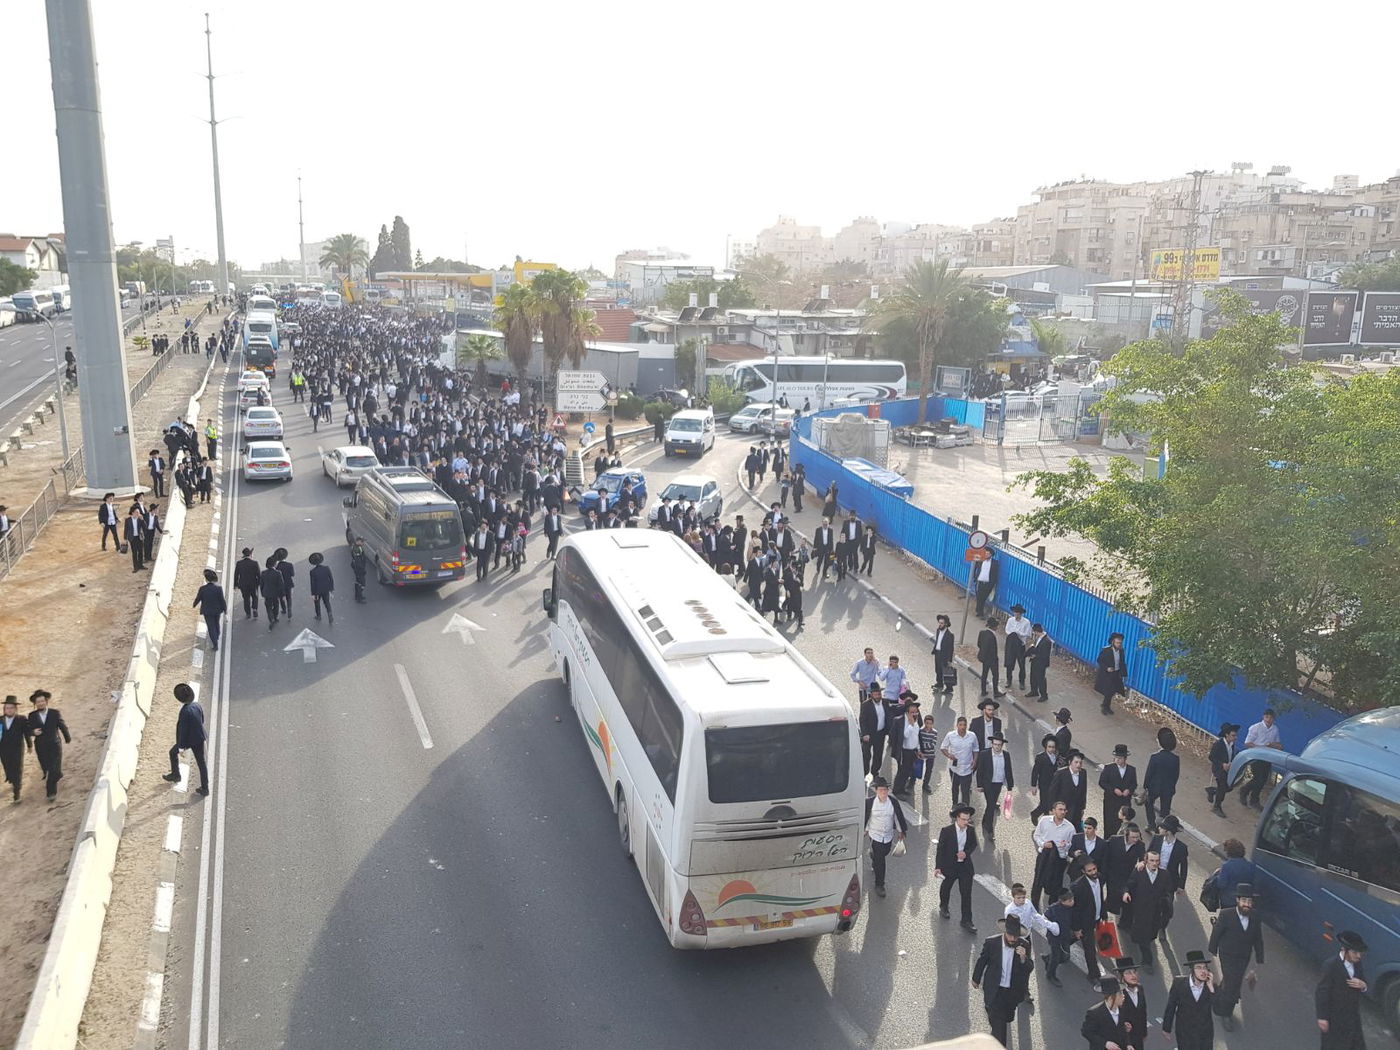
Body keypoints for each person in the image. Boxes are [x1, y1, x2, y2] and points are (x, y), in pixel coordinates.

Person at [1208, 882, 1264, 1032]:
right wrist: (1212, 949)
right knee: (1233, 984)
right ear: (1237, 900)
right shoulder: (1226, 914)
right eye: (1244, 901)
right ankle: (1225, 1013)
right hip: (1227, 954)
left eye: (1249, 901)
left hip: (1243, 956)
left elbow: (1258, 939)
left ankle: (1216, 992)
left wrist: (1259, 959)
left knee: (1232, 981)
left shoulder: (1255, 916)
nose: (1246, 904)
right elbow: (1217, 932)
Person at [971, 914, 1034, 1047]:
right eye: (1010, 935)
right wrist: (975, 978)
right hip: (995, 990)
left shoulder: (1024, 945)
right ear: (1005, 932)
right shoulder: (992, 943)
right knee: (999, 1030)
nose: (1013, 939)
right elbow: (982, 960)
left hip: (1012, 992)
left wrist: (1023, 958)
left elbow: (1029, 968)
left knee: (1006, 1019)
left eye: (1016, 936)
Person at [1121, 849, 1176, 971]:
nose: (1155, 863)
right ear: (1146, 861)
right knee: (1144, 937)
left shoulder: (1164, 874)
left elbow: (1168, 891)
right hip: (1140, 910)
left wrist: (1166, 904)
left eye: (1157, 861)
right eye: (1151, 860)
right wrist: (1125, 893)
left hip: (1156, 911)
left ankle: (1139, 938)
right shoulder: (1139, 872)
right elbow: (1129, 884)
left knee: (1151, 935)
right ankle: (1147, 961)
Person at [1315, 929, 1368, 1050]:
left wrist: (1363, 985)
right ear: (1344, 950)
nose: (1358, 956)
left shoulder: (1357, 964)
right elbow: (1322, 992)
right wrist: (1322, 1017)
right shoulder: (1331, 965)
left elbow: (1363, 982)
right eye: (1355, 952)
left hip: (1352, 1018)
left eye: (1360, 952)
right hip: (1335, 1019)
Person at [1162, 950, 1217, 1050]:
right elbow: (1171, 1006)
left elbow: (1218, 1009)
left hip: (1204, 1034)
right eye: (1199, 968)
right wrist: (1166, 1028)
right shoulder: (1179, 983)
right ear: (1192, 970)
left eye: (1205, 967)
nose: (1203, 971)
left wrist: (1212, 989)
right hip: (1185, 1033)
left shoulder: (1211, 986)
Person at [935, 805, 979, 932]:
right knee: (946, 886)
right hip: (950, 866)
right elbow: (940, 850)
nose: (966, 822)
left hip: (965, 867)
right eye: (963, 819)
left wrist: (966, 853)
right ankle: (944, 906)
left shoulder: (970, 830)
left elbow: (973, 844)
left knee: (966, 894)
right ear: (957, 818)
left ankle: (967, 920)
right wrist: (938, 867)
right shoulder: (946, 831)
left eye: (968, 819)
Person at [863, 777, 907, 898]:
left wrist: (901, 831)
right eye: (881, 790)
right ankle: (879, 884)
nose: (883, 792)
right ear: (876, 791)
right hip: (875, 835)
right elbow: (867, 817)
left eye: (885, 790)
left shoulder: (893, 802)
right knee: (880, 860)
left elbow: (897, 817)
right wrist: (865, 830)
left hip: (887, 836)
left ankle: (873, 856)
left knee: (884, 853)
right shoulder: (870, 802)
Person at [162, 682, 209, 796]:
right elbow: (202, 720)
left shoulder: (184, 711)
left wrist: (181, 747)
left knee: (173, 753)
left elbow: (183, 731)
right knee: (201, 763)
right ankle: (205, 788)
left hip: (189, 741)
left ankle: (176, 775)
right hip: (199, 737)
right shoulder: (197, 705)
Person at [1072, 855, 1110, 985]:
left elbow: (1100, 897)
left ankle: (1055, 954)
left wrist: (1103, 914)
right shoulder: (1078, 887)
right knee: (1090, 949)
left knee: (1071, 939)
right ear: (1083, 871)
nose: (1093, 872)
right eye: (1089, 871)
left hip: (1096, 918)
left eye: (1094, 869)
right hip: (1085, 923)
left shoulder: (1100, 877)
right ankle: (1093, 974)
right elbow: (1075, 910)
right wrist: (1077, 928)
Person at [27, 689, 70, 801]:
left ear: (46, 701)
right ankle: (58, 774)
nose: (40, 703)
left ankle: (51, 792)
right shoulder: (31, 715)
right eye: (38, 702)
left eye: (42, 701)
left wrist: (67, 737)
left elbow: (62, 725)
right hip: (41, 747)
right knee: (46, 767)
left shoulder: (54, 713)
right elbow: (28, 729)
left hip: (54, 744)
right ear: (35, 704)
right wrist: (33, 732)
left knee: (52, 769)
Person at [1031, 800, 1074, 910]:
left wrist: (1065, 846)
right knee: (1038, 879)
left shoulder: (1070, 827)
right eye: (1060, 809)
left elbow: (1071, 844)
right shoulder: (1044, 821)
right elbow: (1037, 835)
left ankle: (1052, 906)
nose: (1063, 812)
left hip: (1059, 859)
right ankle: (1034, 904)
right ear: (1053, 811)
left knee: (1056, 883)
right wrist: (1043, 844)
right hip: (1044, 855)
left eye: (1064, 810)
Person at [1240, 708, 1283, 809]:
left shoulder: (1275, 729)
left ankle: (1252, 798)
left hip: (1267, 757)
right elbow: (1247, 743)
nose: (1268, 719)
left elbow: (1278, 744)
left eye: (1271, 718)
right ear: (1263, 717)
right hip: (1256, 756)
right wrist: (1260, 747)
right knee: (1258, 778)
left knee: (1263, 780)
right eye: (1267, 717)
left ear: (1274, 719)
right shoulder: (1255, 727)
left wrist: (1273, 745)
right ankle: (1247, 793)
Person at [976, 732, 1013, 836]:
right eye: (995, 744)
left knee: (990, 804)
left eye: (999, 745)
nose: (997, 747)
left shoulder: (1006, 755)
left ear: (1002, 745)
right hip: (988, 783)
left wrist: (1010, 787)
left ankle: (984, 820)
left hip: (998, 783)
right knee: (991, 805)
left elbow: (1008, 770)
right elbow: (980, 770)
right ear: (992, 744)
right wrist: (979, 785)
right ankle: (989, 827)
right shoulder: (984, 754)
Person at [1081, 976, 1132, 1050]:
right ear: (1111, 997)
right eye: (1120, 994)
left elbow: (1121, 1030)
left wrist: (1128, 1044)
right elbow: (1086, 1032)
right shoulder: (1094, 1013)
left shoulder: (1122, 1009)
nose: (1123, 996)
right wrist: (1105, 1043)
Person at [1142, 727, 1180, 828]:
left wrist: (1145, 786)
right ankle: (1164, 827)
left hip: (1154, 787)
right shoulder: (1175, 759)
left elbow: (1149, 774)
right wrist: (1172, 786)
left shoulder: (1155, 757)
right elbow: (1176, 775)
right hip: (1168, 788)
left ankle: (1151, 824)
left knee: (1148, 803)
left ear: (1160, 743)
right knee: (1165, 809)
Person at [1099, 745, 1137, 837]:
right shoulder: (1108, 768)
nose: (1117, 760)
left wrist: (1129, 790)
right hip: (1110, 802)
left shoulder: (1131, 770)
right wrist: (1113, 790)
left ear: (1125, 758)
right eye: (1116, 758)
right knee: (1109, 825)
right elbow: (1102, 782)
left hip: (1124, 803)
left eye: (1120, 758)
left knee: (1123, 826)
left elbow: (1134, 784)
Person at [941, 715, 979, 806]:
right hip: (954, 768)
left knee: (965, 791)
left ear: (967, 726)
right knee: (955, 788)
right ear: (957, 725)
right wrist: (949, 755)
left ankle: (966, 810)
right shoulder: (950, 735)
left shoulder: (972, 736)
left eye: (964, 725)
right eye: (960, 724)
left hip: (967, 768)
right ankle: (954, 805)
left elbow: (976, 749)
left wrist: (975, 761)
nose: (962, 727)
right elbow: (943, 748)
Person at [1, 695, 33, 803]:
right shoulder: (0, 720)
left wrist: (29, 745)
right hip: (3, 750)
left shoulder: (21, 719)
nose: (9, 710)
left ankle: (17, 793)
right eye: (7, 708)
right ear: (4, 709)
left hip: (17, 749)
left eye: (11, 708)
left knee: (17, 769)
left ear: (15, 709)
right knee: (7, 767)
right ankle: (11, 778)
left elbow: (26, 733)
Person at [1042, 888, 1076, 988]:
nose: (1072, 902)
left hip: (1066, 936)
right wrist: (1053, 928)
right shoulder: (1054, 909)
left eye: (1072, 899)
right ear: (1062, 901)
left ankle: (1048, 958)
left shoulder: (1071, 908)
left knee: (1065, 957)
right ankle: (1050, 974)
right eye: (1070, 901)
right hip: (1055, 938)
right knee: (1056, 957)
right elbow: (1044, 919)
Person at [858, 680, 891, 777]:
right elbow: (862, 720)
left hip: (880, 733)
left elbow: (890, 714)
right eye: (875, 694)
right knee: (866, 755)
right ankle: (864, 772)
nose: (877, 696)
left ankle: (875, 772)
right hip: (869, 734)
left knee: (878, 754)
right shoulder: (865, 705)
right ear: (871, 694)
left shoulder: (885, 702)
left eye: (879, 694)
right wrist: (865, 734)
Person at [1114, 956, 1149, 1050]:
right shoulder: (1117, 994)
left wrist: (1144, 1032)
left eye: (1134, 972)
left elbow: (1143, 1012)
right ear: (1121, 976)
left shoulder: (1140, 988)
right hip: (1123, 1040)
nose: (1133, 975)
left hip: (1138, 1037)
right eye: (1128, 973)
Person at [1206, 723, 1239, 817]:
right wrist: (1222, 764)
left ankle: (1212, 791)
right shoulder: (1218, 744)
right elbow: (1211, 757)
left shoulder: (1232, 744)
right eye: (1233, 735)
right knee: (1222, 786)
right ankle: (1217, 806)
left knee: (1229, 787)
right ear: (1226, 735)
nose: (1235, 737)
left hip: (1228, 768)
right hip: (1219, 769)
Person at [1050, 750, 1088, 827]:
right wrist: (1052, 809)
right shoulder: (1060, 773)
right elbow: (1053, 792)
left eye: (1080, 763)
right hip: (1064, 809)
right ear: (1070, 762)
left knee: (1075, 830)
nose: (1078, 765)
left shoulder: (1083, 773)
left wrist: (1082, 808)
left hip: (1077, 809)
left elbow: (1084, 791)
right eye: (1076, 762)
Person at [192, 569, 227, 651]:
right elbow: (222, 600)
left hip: (207, 611)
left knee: (211, 627)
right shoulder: (218, 588)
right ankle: (217, 635)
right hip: (217, 610)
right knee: (216, 623)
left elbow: (198, 598)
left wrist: (194, 605)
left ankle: (215, 644)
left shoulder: (202, 589)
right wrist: (225, 610)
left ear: (206, 579)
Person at [892, 703, 923, 796]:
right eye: (912, 712)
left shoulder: (916, 721)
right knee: (902, 772)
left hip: (913, 751)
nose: (914, 714)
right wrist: (911, 725)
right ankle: (897, 790)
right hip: (904, 752)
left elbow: (916, 736)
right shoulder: (899, 721)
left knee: (908, 772)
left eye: (916, 712)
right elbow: (905, 735)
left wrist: (918, 749)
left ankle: (902, 788)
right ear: (907, 712)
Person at [1094, 632, 1129, 715]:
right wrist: (1107, 668)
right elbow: (1099, 660)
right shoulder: (1106, 650)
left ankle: (1106, 705)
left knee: (1113, 691)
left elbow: (1122, 662)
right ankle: (1105, 707)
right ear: (1113, 642)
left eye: (1120, 643)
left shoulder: (1121, 651)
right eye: (1117, 643)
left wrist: (1125, 674)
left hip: (1116, 673)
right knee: (1108, 691)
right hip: (1108, 674)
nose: (1119, 644)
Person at [1029, 735, 1060, 823]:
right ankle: (1035, 814)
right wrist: (1033, 785)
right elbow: (1035, 772)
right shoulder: (1040, 757)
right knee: (1044, 804)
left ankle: (1046, 823)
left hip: (1054, 785)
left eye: (1053, 747)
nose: (1051, 749)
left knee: (1051, 805)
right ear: (1046, 747)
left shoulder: (1057, 757)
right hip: (1044, 785)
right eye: (1049, 747)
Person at [1003, 604, 1031, 690]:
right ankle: (1009, 680)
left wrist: (1018, 633)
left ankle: (1022, 682)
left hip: (1020, 645)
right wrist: (1013, 633)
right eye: (1015, 612)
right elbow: (1007, 630)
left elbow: (1027, 634)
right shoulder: (1010, 620)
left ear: (1021, 613)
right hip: (1011, 645)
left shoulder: (1026, 622)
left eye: (1018, 613)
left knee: (1021, 664)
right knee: (1009, 663)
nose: (1016, 614)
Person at [978, 618, 1005, 697]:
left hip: (984, 658)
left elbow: (979, 644)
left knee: (984, 674)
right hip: (992, 660)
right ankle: (996, 692)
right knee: (995, 675)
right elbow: (993, 650)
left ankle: (983, 691)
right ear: (994, 627)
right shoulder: (991, 636)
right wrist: (994, 658)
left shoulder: (982, 633)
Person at [1026, 622, 1051, 702]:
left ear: (1037, 631)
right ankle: (1034, 691)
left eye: (1034, 632)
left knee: (1041, 678)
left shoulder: (1047, 641)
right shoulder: (1038, 638)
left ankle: (1044, 695)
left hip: (1041, 663)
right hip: (1035, 661)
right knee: (1033, 676)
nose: (1034, 633)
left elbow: (1045, 654)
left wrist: (1035, 655)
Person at [259, 555, 285, 629]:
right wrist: (282, 594)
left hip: (267, 593)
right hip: (275, 593)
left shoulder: (263, 573)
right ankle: (276, 616)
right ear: (274, 564)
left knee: (268, 607)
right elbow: (281, 584)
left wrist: (262, 593)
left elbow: (261, 584)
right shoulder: (278, 573)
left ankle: (271, 619)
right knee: (276, 605)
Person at [931, 614, 955, 694]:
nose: (940, 625)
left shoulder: (949, 635)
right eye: (939, 623)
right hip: (938, 653)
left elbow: (951, 649)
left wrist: (949, 660)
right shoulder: (938, 631)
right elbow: (938, 641)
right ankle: (939, 683)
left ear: (946, 624)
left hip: (944, 656)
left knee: (946, 672)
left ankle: (949, 687)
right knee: (938, 670)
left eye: (941, 623)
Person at [233, 546, 260, 618]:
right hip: (253, 584)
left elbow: (236, 575)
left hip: (243, 584)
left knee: (246, 598)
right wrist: (260, 583)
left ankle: (248, 613)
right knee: (255, 597)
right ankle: (254, 608)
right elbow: (259, 575)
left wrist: (235, 585)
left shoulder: (239, 563)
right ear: (250, 555)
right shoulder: (255, 563)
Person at [309, 552, 334, 624]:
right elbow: (331, 579)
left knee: (317, 603)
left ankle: (318, 615)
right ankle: (330, 614)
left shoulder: (312, 572)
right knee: (327, 602)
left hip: (317, 590)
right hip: (326, 589)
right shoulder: (326, 568)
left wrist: (313, 594)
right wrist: (331, 589)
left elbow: (312, 583)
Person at [274, 547, 295, 617]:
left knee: (281, 598)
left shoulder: (277, 567)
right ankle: (289, 609)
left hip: (280, 585)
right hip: (289, 583)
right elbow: (292, 574)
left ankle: (284, 609)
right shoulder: (290, 565)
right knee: (289, 598)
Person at [124, 505, 146, 571]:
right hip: (132, 538)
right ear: (132, 512)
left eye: (138, 512)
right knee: (134, 553)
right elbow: (126, 529)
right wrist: (125, 539)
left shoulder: (140, 519)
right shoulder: (128, 520)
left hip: (139, 537)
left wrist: (142, 520)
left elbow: (145, 527)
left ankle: (141, 565)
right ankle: (135, 567)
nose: (138, 514)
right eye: (136, 512)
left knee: (141, 552)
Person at [350, 536, 369, 602]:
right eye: (362, 541)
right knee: (362, 583)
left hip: (357, 568)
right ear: (357, 541)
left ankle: (357, 596)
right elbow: (358, 561)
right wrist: (362, 570)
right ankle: (359, 597)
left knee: (358, 582)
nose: (363, 543)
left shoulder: (357, 547)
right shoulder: (356, 549)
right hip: (359, 569)